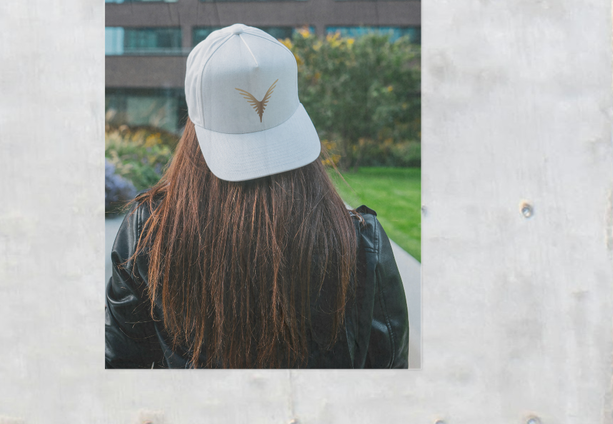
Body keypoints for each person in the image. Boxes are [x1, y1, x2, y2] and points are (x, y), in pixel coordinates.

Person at [106, 24, 409, 368]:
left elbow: (119, 368)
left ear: (193, 123)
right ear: (296, 114)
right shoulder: (360, 241)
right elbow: (389, 380)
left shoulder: (149, 230)